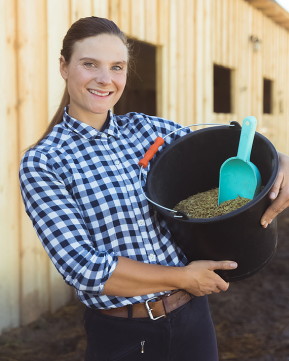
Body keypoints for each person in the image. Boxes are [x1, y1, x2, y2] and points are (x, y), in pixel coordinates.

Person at [19, 16, 289, 361]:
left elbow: (223, 148)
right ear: (64, 67)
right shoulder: (45, 162)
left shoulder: (146, 131)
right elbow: (83, 268)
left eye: (117, 67)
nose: (105, 79)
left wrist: (280, 158)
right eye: (90, 64)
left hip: (192, 320)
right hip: (124, 336)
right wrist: (183, 277)